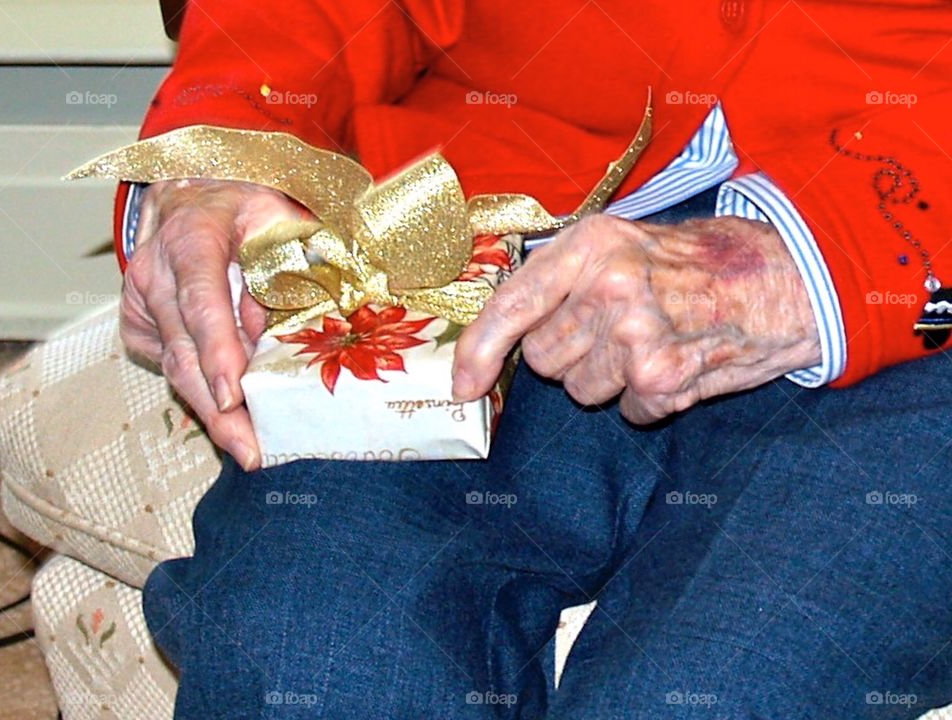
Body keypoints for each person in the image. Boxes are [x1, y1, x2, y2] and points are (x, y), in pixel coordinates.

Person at [114, 1, 952, 717]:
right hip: (478, 212)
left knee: (709, 693)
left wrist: (825, 260)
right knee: (307, 653)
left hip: (913, 252)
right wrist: (229, 146)